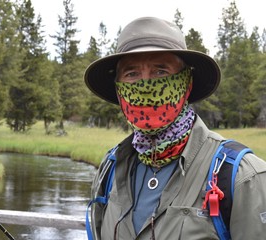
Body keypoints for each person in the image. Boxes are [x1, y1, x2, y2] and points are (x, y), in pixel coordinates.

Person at [84, 17, 266, 240]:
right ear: (119, 91)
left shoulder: (241, 176)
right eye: (132, 74)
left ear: (186, 84)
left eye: (161, 71)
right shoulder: (110, 169)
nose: (146, 85)